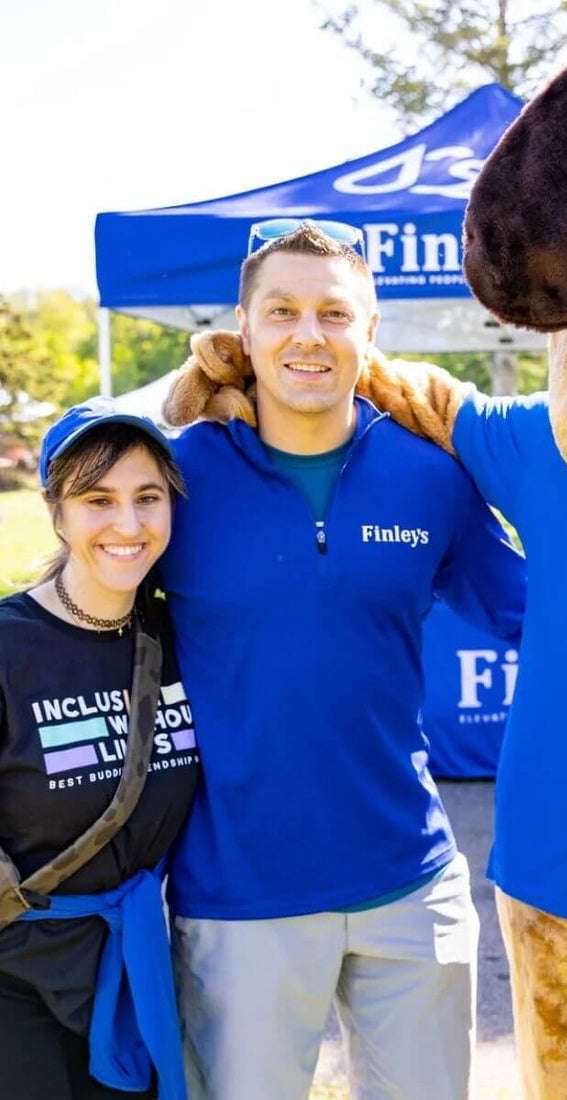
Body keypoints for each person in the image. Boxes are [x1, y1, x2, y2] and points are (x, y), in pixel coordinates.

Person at [158, 220, 526, 1100]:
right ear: (243, 330)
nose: (308, 335)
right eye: (281, 311)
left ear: (369, 332)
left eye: (334, 313)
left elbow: (538, 615)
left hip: (410, 879)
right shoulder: (177, 479)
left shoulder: (430, 475)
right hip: (238, 895)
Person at [0, 401, 197, 1099]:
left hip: (137, 973)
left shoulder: (184, 637)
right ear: (57, 512)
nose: (127, 525)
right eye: (97, 499)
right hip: (16, 981)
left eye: (148, 498)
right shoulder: (8, 646)